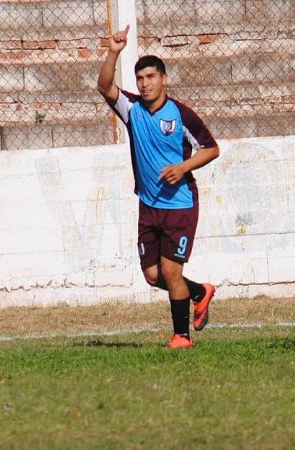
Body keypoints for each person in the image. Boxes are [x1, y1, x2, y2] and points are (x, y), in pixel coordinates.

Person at [97, 25, 218, 349]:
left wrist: (183, 167)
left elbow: (211, 148)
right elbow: (104, 86)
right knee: (153, 276)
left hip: (179, 206)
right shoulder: (132, 110)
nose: (145, 83)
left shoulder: (181, 115)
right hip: (149, 207)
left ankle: (181, 336)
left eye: (151, 77)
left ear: (164, 79)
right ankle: (199, 292)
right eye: (140, 79)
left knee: (170, 269)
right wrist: (114, 51)